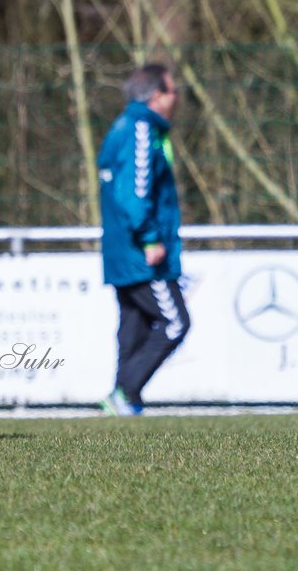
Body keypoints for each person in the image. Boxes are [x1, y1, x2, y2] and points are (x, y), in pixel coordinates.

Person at [98, 63, 189, 416]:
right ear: (156, 96)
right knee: (176, 322)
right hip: (140, 252)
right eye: (173, 91)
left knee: (134, 326)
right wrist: (150, 238)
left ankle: (126, 402)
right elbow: (133, 193)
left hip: (123, 252)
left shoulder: (126, 126)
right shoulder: (140, 129)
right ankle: (125, 392)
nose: (177, 98)